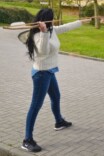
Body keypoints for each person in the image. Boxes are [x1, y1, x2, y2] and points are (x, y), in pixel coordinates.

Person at [21, 8, 90, 153]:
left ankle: (59, 121)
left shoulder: (51, 30)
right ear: (46, 19)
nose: (53, 21)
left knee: (56, 96)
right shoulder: (39, 34)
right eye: (51, 18)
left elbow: (65, 27)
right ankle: (27, 140)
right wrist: (44, 32)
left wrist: (81, 22)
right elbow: (43, 52)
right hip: (41, 74)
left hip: (50, 71)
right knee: (35, 105)